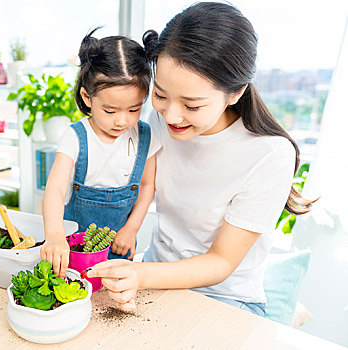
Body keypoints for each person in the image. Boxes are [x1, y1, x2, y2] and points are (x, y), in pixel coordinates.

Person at [86, 2, 315, 316]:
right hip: (154, 277)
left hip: (226, 297)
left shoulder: (270, 154)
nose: (173, 115)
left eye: (192, 105)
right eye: (161, 94)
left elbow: (221, 261)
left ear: (235, 92)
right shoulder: (159, 120)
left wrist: (141, 274)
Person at [41, 28, 161, 277]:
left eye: (133, 109)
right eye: (110, 110)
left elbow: (148, 186)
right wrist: (54, 235)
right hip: (74, 247)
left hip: (121, 245)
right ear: (87, 97)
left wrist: (131, 229)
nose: (121, 121)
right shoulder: (76, 136)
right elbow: (55, 189)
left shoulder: (146, 136)